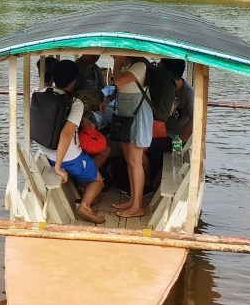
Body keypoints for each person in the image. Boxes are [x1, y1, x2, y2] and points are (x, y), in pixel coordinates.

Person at [32, 59, 106, 224]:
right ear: (74, 81)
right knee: (98, 181)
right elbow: (66, 134)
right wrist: (58, 167)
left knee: (86, 159)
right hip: (68, 158)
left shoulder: (41, 92)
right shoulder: (75, 103)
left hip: (45, 152)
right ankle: (84, 206)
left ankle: (81, 183)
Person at [110, 55, 153, 218]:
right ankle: (133, 200)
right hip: (126, 118)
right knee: (129, 159)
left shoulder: (140, 65)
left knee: (135, 160)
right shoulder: (125, 66)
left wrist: (116, 62)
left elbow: (118, 82)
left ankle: (138, 205)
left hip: (138, 117)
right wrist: (119, 64)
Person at [162, 59, 194, 145]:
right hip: (162, 133)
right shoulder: (164, 89)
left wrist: (178, 144)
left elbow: (195, 121)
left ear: (167, 74)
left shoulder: (189, 93)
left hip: (176, 138)